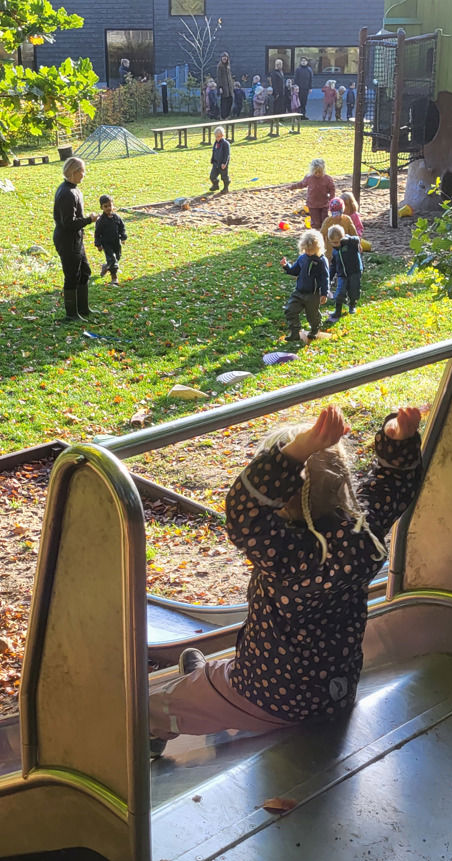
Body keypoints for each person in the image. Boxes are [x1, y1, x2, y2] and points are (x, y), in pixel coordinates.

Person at [147, 404, 425, 755]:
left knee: (161, 705)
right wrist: (398, 437)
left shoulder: (286, 553)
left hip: (266, 695)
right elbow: (395, 484)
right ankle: (204, 677)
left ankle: (155, 727)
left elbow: (243, 511)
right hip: (334, 690)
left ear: (280, 502)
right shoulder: (362, 530)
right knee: (223, 674)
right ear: (345, 485)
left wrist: (295, 452)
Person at [51, 156, 97, 320]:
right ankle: (71, 314)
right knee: (72, 275)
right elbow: (68, 223)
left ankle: (83, 309)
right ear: (75, 172)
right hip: (67, 239)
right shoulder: (67, 193)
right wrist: (89, 220)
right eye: (82, 171)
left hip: (76, 239)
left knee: (85, 272)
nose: (84, 174)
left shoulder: (74, 189)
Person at [277, 229, 330, 343]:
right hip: (299, 291)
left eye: (311, 250)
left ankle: (315, 328)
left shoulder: (321, 261)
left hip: (312, 293)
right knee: (290, 310)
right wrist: (286, 266)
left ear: (318, 248)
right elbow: (295, 271)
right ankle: (295, 332)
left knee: (312, 315)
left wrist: (324, 293)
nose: (308, 252)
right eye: (306, 250)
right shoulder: (302, 258)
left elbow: (325, 278)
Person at [325, 224, 363, 322]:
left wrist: (347, 239)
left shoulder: (350, 244)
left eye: (337, 242)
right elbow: (334, 264)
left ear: (342, 238)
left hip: (354, 271)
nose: (335, 244)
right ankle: (338, 311)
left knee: (354, 290)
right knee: (339, 292)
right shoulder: (335, 251)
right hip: (342, 274)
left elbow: (357, 239)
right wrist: (330, 275)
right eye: (333, 243)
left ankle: (352, 305)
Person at [287, 158, 338, 230]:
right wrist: (292, 187)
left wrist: (331, 199)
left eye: (320, 172)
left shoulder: (327, 179)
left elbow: (332, 189)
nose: (317, 174)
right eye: (315, 172)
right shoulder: (309, 178)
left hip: (324, 203)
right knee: (315, 222)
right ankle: (316, 231)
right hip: (312, 204)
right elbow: (302, 184)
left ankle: (324, 232)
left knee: (325, 220)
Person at [94, 194, 127, 286]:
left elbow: (122, 227)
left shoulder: (117, 218)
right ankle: (114, 277)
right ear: (101, 207)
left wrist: (123, 237)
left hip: (116, 242)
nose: (108, 208)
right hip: (106, 243)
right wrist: (98, 244)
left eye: (110, 205)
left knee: (117, 257)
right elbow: (97, 233)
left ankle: (106, 266)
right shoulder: (101, 221)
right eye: (106, 206)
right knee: (112, 259)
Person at [210, 126, 231, 193]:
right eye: (216, 137)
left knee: (224, 177)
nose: (217, 138)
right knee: (212, 176)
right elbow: (214, 151)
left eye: (219, 136)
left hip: (222, 163)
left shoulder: (225, 144)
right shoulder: (216, 143)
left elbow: (227, 154)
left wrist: (224, 163)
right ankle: (215, 185)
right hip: (216, 163)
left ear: (222, 135)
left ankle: (226, 188)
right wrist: (212, 159)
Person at [216, 51, 235, 119]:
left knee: (230, 100)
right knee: (224, 102)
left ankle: (227, 115)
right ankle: (223, 116)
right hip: (224, 88)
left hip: (229, 87)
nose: (225, 58)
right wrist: (220, 87)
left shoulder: (228, 66)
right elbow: (219, 77)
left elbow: (229, 77)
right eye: (223, 57)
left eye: (226, 57)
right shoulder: (220, 66)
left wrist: (232, 85)